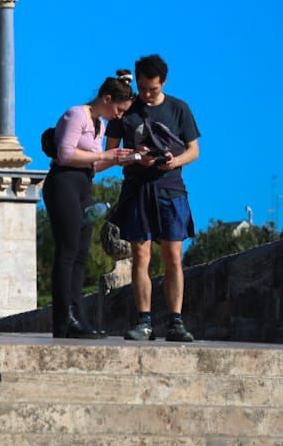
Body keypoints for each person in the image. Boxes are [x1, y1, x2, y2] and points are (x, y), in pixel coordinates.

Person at [105, 53, 201, 342]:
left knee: (173, 255)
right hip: (137, 189)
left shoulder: (179, 109)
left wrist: (174, 161)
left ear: (164, 83)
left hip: (171, 189)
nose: (146, 94)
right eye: (143, 88)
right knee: (140, 255)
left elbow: (194, 150)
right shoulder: (127, 110)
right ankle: (144, 321)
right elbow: (111, 152)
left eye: (153, 89)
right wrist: (136, 158)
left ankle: (175, 321)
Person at [43, 75, 139, 339]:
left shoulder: (99, 125)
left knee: (81, 254)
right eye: (118, 109)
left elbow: (93, 164)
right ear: (107, 99)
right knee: (67, 250)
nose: (119, 116)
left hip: (83, 183)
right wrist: (103, 155)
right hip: (63, 182)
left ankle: (78, 316)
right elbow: (65, 153)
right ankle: (64, 319)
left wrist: (118, 159)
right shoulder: (77, 115)